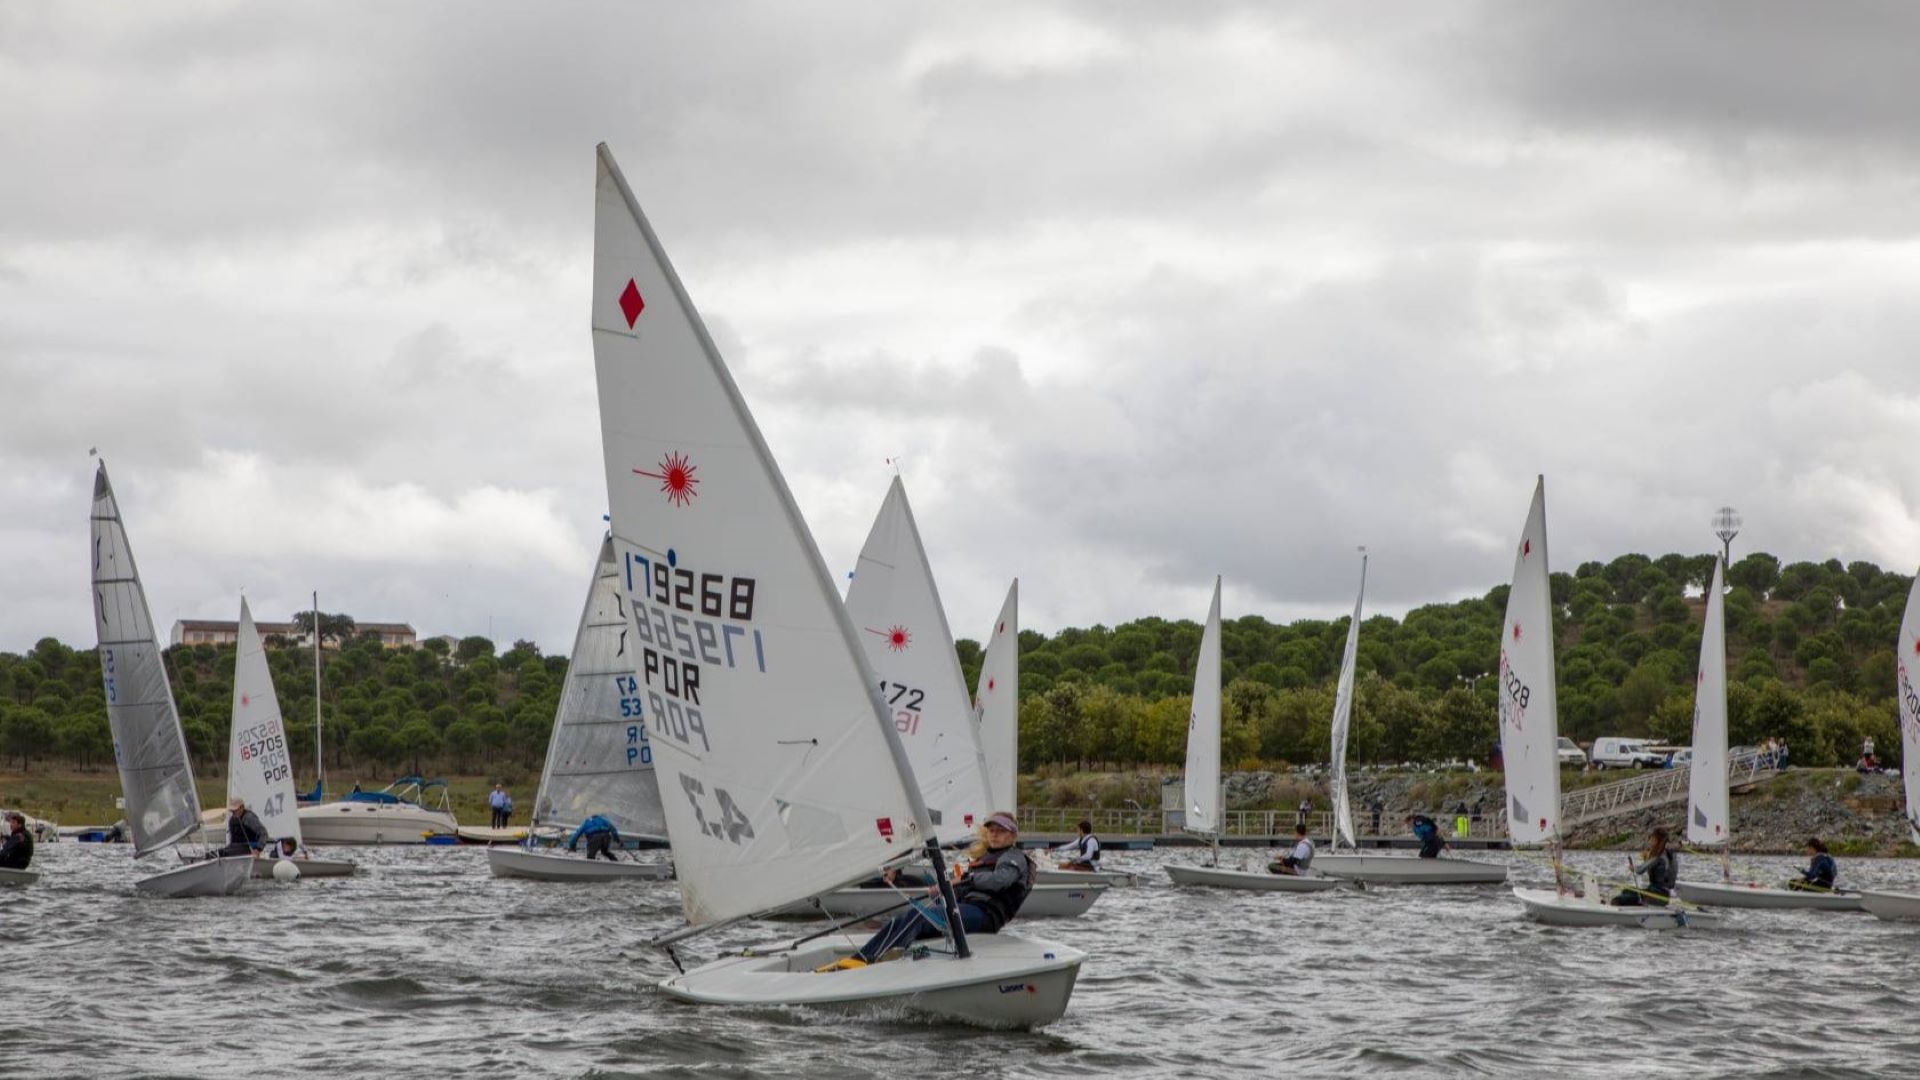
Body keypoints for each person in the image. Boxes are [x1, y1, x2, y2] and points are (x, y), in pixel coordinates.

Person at [820, 811, 1032, 971]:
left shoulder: (1013, 857)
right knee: (904, 918)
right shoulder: (986, 858)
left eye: (1001, 831)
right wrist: (945, 890)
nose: (995, 835)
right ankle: (871, 958)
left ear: (1012, 836)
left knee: (920, 917)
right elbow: (969, 888)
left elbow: (999, 881)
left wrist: (965, 878)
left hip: (985, 916)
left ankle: (865, 960)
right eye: (992, 830)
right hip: (969, 909)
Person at [1610, 827, 1678, 906]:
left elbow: (1640, 870)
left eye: (1651, 838)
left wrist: (1633, 867)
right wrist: (1647, 859)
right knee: (1627, 891)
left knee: (1619, 898)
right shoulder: (1672, 855)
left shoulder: (1658, 856)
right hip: (1666, 896)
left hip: (1654, 896)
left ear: (1656, 840)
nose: (1650, 841)